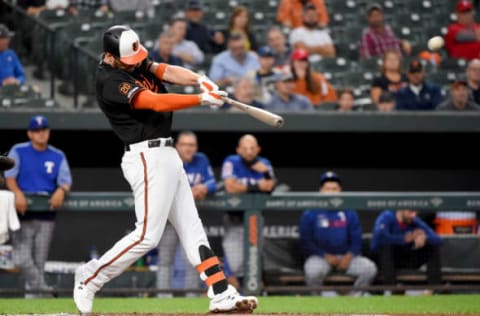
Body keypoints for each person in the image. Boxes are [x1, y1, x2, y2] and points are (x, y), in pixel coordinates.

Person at [73, 25, 257, 314]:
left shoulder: (132, 59)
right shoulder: (109, 79)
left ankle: (220, 292)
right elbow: (155, 102)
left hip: (167, 155)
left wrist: (200, 80)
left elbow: (165, 71)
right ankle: (91, 277)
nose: (137, 63)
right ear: (111, 56)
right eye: (129, 60)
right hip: (145, 156)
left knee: (192, 228)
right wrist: (200, 100)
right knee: (147, 235)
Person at [5, 115, 72, 297]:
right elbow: (9, 176)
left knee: (39, 262)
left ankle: (34, 303)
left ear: (48, 132)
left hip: (46, 214)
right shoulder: (18, 150)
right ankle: (44, 290)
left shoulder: (57, 155)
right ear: (30, 133)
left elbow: (65, 181)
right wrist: (18, 193)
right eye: (36, 131)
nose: (41, 134)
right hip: (22, 212)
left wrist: (61, 190)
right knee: (21, 258)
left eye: (44, 130)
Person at [156, 131, 217, 297]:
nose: (188, 148)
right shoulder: (168, 160)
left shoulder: (201, 159)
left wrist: (203, 187)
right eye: (184, 144)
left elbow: (212, 183)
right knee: (165, 260)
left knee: (193, 259)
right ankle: (163, 296)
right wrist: (190, 191)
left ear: (196, 147)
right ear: (177, 146)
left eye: (191, 145)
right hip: (168, 219)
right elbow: (159, 187)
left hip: (189, 220)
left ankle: (192, 296)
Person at [299, 171, 377, 296]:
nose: (331, 192)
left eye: (334, 189)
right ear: (321, 190)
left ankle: (353, 301)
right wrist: (325, 255)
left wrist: (349, 256)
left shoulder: (349, 211)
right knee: (312, 271)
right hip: (321, 258)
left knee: (369, 268)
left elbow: (356, 239)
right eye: (328, 189)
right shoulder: (310, 212)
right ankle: (320, 304)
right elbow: (306, 241)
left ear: (340, 190)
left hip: (347, 257)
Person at [221, 134, 276, 290]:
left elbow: (270, 186)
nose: (249, 151)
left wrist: (266, 174)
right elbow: (230, 187)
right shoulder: (231, 161)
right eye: (245, 148)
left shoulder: (264, 164)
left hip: (255, 220)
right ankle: (236, 293)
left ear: (258, 149)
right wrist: (257, 186)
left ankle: (249, 295)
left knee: (253, 259)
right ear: (238, 150)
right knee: (235, 261)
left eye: (252, 148)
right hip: (234, 218)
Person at [371, 209, 443, 290]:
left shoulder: (414, 220)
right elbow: (380, 238)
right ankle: (392, 290)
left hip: (404, 259)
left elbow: (438, 239)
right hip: (383, 261)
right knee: (386, 247)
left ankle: (435, 289)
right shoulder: (387, 216)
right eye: (411, 212)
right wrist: (404, 239)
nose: (414, 215)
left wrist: (424, 238)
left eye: (415, 212)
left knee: (432, 246)